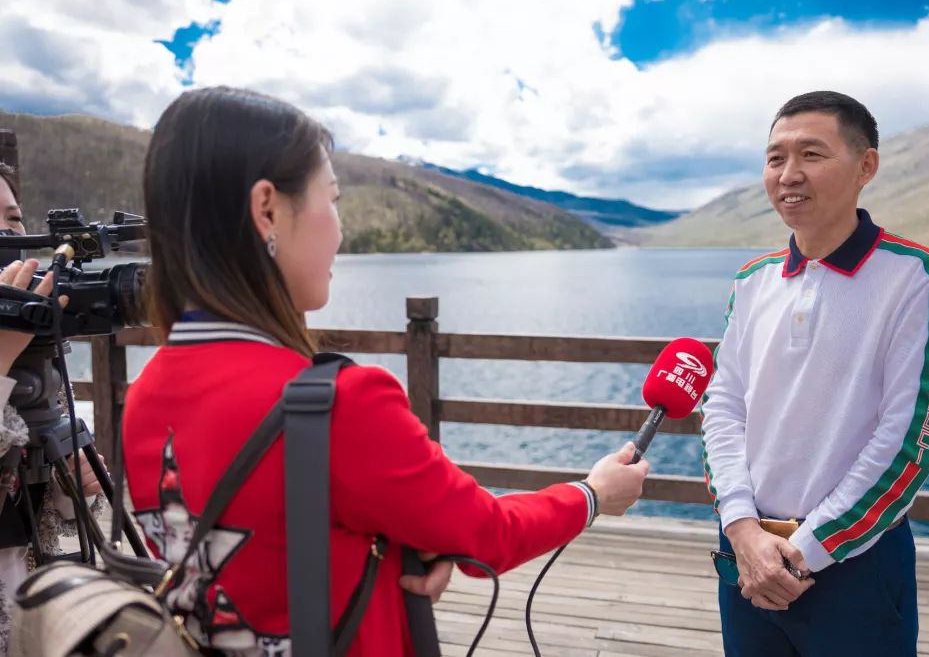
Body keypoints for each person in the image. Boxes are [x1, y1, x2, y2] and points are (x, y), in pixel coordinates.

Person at [121, 86, 652, 656]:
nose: (340, 230)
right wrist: (593, 494)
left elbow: (279, 544)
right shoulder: (340, 402)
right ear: (268, 209)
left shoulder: (146, 393)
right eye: (333, 199)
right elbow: (490, 534)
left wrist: (406, 547)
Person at [701, 91, 929, 657]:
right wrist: (742, 528)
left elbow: (910, 437)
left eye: (812, 154)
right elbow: (723, 405)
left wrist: (804, 550)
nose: (789, 174)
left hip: (854, 564)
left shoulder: (915, 275)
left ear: (866, 166)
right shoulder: (753, 280)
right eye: (775, 158)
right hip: (745, 558)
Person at [0, 162, 105, 655]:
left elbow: (50, 505)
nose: (5, 233)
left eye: (14, 219)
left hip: (34, 620)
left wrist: (73, 484)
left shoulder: (33, 347)